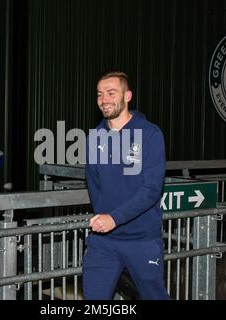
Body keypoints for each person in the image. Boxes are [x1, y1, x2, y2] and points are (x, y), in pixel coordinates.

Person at [83, 71, 169, 300]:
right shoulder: (95, 137)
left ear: (127, 95)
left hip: (142, 240)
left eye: (111, 93)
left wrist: (114, 218)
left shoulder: (150, 134)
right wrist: (103, 218)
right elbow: (94, 184)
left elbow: (151, 190)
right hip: (103, 243)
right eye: (100, 94)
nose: (104, 100)